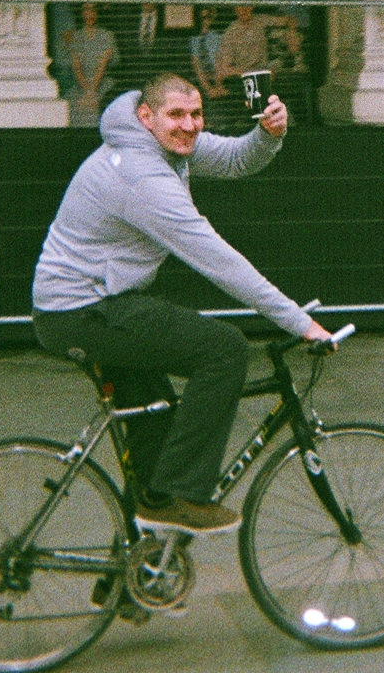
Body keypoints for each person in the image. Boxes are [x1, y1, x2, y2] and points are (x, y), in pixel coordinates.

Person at [31, 75, 329, 534]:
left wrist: (268, 136)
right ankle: (184, 497)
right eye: (176, 115)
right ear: (146, 117)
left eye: (196, 114)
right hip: (84, 311)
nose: (189, 126)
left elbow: (232, 159)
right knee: (224, 349)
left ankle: (137, 574)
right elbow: (217, 260)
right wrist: (300, 323)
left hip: (94, 305)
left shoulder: (162, 144)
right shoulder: (139, 173)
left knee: (156, 425)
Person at [64, 1, 115, 127]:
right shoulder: (76, 37)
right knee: (74, 104)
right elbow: (77, 68)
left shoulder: (107, 36)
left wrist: (92, 93)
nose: (90, 13)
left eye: (93, 9)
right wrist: (87, 92)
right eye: (86, 9)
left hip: (103, 83)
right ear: (81, 13)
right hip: (81, 85)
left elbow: (101, 68)